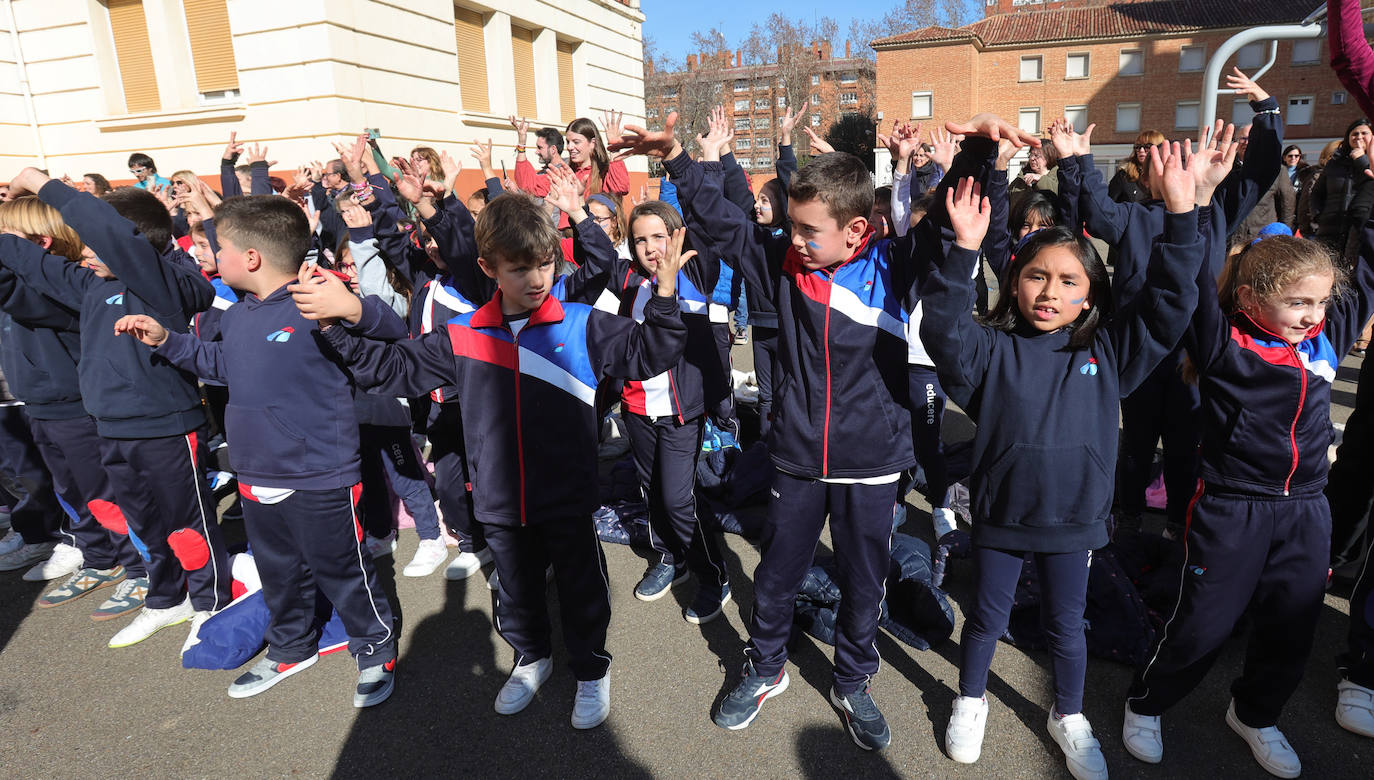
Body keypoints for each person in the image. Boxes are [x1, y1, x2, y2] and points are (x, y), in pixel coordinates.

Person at [610, 111, 1038, 752]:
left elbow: (954, 211)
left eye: (811, 230)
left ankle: (853, 680)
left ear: (858, 230)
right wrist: (676, 160)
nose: (795, 239)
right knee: (778, 574)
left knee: (865, 581)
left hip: (872, 464)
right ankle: (764, 667)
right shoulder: (782, 261)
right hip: (796, 459)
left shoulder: (896, 265)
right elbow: (724, 223)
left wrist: (979, 146)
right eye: (793, 227)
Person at [288, 190, 689, 729]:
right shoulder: (463, 335)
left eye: (546, 263)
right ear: (488, 268)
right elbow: (386, 370)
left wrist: (664, 297)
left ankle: (592, 667)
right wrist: (337, 323)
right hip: (499, 497)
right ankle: (532, 658)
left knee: (581, 587)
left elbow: (651, 353)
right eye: (520, 268)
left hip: (568, 495)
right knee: (516, 590)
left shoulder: (581, 324)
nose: (537, 278)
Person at [923, 124, 1213, 780]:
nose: (1051, 292)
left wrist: (1180, 216)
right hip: (1000, 517)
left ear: (1091, 293)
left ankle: (1069, 713)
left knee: (1068, 625)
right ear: (1013, 280)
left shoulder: (1106, 352)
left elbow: (1170, 305)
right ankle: (970, 699)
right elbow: (941, 330)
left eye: (1069, 281)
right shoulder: (988, 353)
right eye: (1036, 277)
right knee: (986, 619)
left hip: (1076, 522)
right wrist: (964, 250)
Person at [113, 195, 398, 707]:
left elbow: (390, 330)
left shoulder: (316, 302)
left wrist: (352, 305)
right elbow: (221, 364)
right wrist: (166, 341)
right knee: (278, 569)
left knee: (341, 568)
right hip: (254, 471)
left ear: (251, 258)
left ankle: (375, 646)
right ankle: (290, 646)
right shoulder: (239, 314)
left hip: (319, 473)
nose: (211, 258)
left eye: (218, 248)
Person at [1123, 226, 1374, 776]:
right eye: (1298, 302)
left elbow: (1368, 274)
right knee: (1203, 624)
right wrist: (1191, 207)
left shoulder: (1320, 343)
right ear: (1249, 297)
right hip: (1233, 509)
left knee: (1292, 627)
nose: (1314, 316)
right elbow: (1186, 276)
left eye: (1322, 302)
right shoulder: (1223, 343)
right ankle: (1148, 701)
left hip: (1307, 510)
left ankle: (1255, 714)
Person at [0, 168, 231, 649]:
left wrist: (38, 182)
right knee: (146, 524)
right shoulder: (91, 287)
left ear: (131, 245)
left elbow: (110, 234)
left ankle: (211, 604)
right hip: (112, 428)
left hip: (165, 429)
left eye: (91, 241)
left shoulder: (159, 284)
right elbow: (32, 265)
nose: (81, 250)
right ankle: (167, 600)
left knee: (187, 525)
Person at [0, 197, 148, 610]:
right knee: (71, 493)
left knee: (106, 495)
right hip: (40, 406)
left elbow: (8, 289)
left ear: (41, 243)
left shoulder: (59, 288)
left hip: (76, 409)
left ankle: (140, 569)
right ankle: (99, 558)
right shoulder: (25, 280)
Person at [1109, 131, 1166, 204]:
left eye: (1147, 147)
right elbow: (1108, 205)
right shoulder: (1124, 176)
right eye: (1138, 147)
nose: (1141, 150)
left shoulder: (1168, 175)